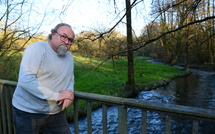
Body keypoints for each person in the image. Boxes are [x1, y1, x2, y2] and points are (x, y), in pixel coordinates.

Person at [12, 23, 75, 134]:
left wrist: (69, 94)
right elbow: (26, 79)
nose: (66, 42)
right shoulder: (36, 49)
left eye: (70, 40)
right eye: (63, 36)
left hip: (54, 112)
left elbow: (70, 78)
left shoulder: (69, 57)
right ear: (53, 34)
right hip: (27, 112)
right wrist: (57, 96)